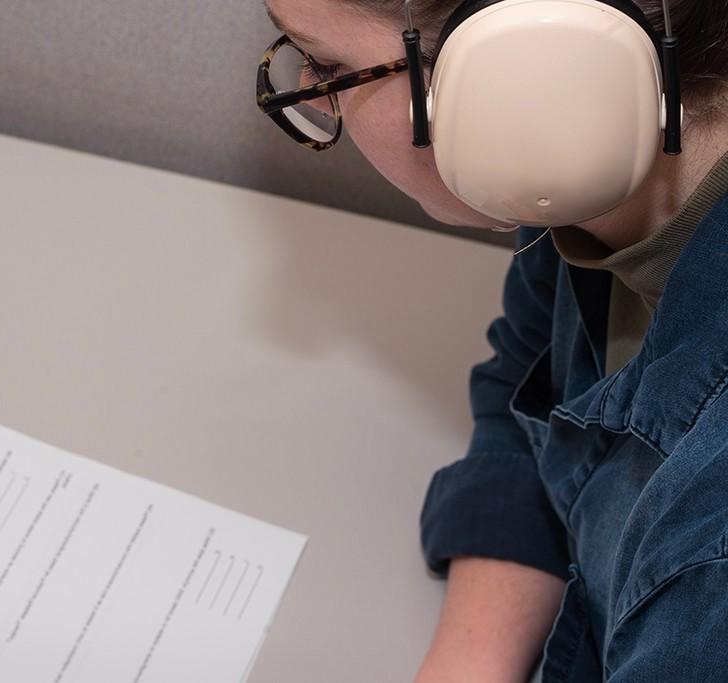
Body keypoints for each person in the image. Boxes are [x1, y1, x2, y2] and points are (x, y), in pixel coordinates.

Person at [255, 0, 728, 680]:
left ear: (516, 68)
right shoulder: (576, 178)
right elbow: (527, 386)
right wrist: (468, 660)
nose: (324, 105)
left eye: (329, 68)